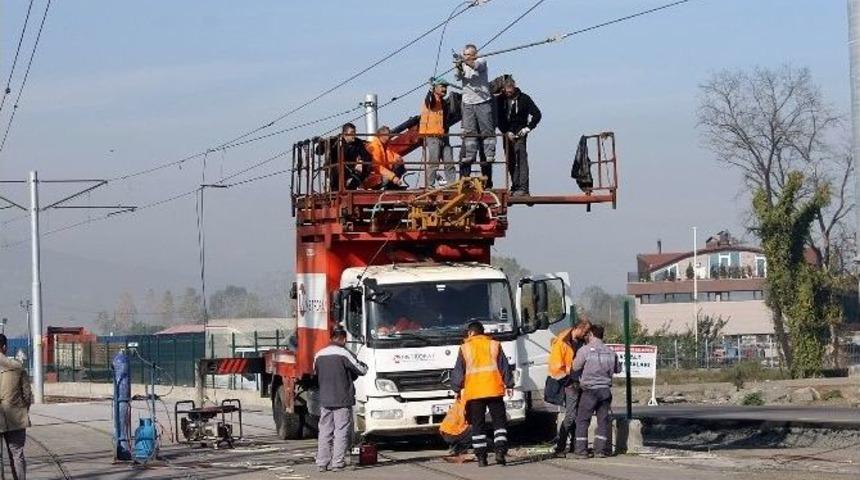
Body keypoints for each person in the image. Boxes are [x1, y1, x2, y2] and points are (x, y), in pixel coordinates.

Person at [450, 321, 513, 467]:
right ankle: (500, 452)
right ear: (483, 332)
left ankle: (481, 458)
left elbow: (459, 371)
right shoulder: (494, 345)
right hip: (494, 390)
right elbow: (504, 366)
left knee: (478, 425)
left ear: (471, 333)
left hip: (475, 393)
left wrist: (456, 388)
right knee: (499, 422)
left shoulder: (465, 348)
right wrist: (509, 384)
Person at [314, 327, 368, 472]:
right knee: (341, 430)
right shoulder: (344, 353)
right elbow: (361, 370)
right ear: (344, 339)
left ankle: (322, 463)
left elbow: (315, 374)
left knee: (324, 430)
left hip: (325, 399)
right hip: (342, 399)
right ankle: (337, 462)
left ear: (331, 338)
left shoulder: (319, 355)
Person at [571, 324, 621, 459]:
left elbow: (575, 366)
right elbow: (618, 369)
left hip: (589, 390)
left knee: (582, 420)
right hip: (605, 390)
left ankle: (581, 451)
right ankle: (600, 450)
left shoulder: (585, 350)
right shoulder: (611, 352)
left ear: (591, 335)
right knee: (603, 421)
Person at [454, 44, 496, 187]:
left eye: (467, 54)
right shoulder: (464, 63)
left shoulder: (481, 61)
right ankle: (470, 155)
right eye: (464, 54)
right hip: (467, 102)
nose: (465, 56)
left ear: (473, 54)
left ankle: (489, 154)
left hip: (482, 101)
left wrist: (465, 61)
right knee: (469, 132)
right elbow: (458, 77)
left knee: (487, 131)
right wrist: (458, 65)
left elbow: (475, 66)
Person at [548, 320, 591, 456]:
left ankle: (573, 446)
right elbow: (555, 367)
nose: (586, 335)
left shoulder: (579, 342)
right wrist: (569, 381)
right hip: (569, 383)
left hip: (577, 383)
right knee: (571, 416)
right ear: (578, 328)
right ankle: (560, 447)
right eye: (585, 331)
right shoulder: (562, 343)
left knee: (576, 415)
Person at [496, 77, 541, 195]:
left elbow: (537, 114)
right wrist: (506, 131)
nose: (508, 94)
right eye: (506, 91)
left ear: (514, 87)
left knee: (521, 158)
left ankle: (523, 188)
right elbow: (498, 118)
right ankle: (515, 186)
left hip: (520, 132)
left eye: (510, 91)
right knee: (510, 159)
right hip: (507, 133)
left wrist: (528, 128)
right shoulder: (500, 100)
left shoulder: (524, 98)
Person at [0, 334, 32, 480]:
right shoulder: (17, 367)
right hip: (15, 417)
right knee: (17, 455)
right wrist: (23, 409)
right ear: (5, 347)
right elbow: (27, 394)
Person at [419, 78, 458, 186]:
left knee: (449, 161)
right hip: (432, 136)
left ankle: (452, 184)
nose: (445, 89)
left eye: (446, 87)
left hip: (443, 136)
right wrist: (431, 90)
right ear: (435, 88)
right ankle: (429, 185)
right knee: (434, 161)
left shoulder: (443, 103)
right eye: (442, 86)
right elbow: (430, 100)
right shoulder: (431, 100)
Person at [314, 123, 371, 191]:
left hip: (349, 170)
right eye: (352, 133)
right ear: (344, 134)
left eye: (355, 132)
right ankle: (335, 191)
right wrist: (322, 144)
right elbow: (318, 152)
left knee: (361, 173)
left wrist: (364, 170)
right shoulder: (335, 141)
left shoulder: (358, 143)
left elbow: (366, 157)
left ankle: (350, 190)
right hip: (335, 171)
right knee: (336, 181)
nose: (354, 135)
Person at [364, 125, 407, 189]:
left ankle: (392, 188)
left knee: (400, 166)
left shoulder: (385, 145)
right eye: (387, 134)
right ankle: (391, 188)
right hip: (373, 175)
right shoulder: (374, 147)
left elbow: (391, 154)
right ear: (381, 135)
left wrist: (398, 158)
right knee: (387, 178)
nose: (389, 136)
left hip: (382, 172)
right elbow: (378, 167)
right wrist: (393, 177)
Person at [439, 396, 471, 463]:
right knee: (474, 430)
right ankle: (460, 453)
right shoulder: (467, 404)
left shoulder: (458, 402)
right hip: (452, 433)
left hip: (445, 431)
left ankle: (454, 449)